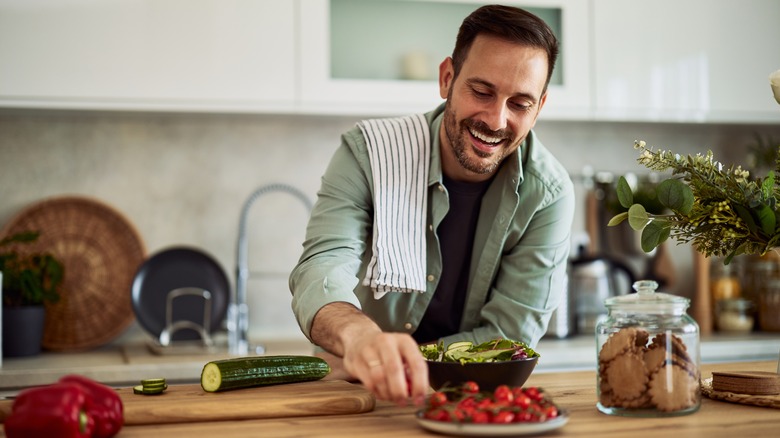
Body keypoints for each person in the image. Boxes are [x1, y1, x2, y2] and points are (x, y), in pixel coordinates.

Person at [289, 4, 575, 405]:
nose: (496, 120)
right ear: (447, 78)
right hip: (355, 395)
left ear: (539, 108)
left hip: (468, 400)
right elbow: (320, 270)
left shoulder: (548, 194)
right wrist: (360, 339)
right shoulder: (368, 154)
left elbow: (508, 337)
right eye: (481, 91)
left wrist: (402, 363)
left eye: (520, 104)